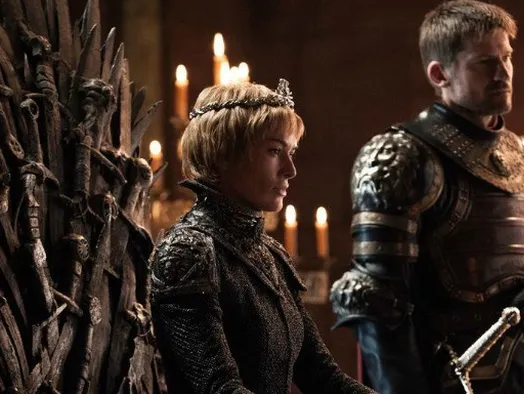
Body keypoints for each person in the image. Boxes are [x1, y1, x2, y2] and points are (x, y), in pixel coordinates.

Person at [330, 0, 524, 394]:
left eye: (507, 58)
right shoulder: (401, 158)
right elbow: (375, 305)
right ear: (439, 73)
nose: (503, 73)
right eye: (485, 63)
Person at [150, 80, 375, 394]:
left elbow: (324, 378)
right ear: (223, 154)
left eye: (291, 152)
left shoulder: (271, 254)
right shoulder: (188, 252)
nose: (290, 169)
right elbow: (220, 388)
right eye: (274, 151)